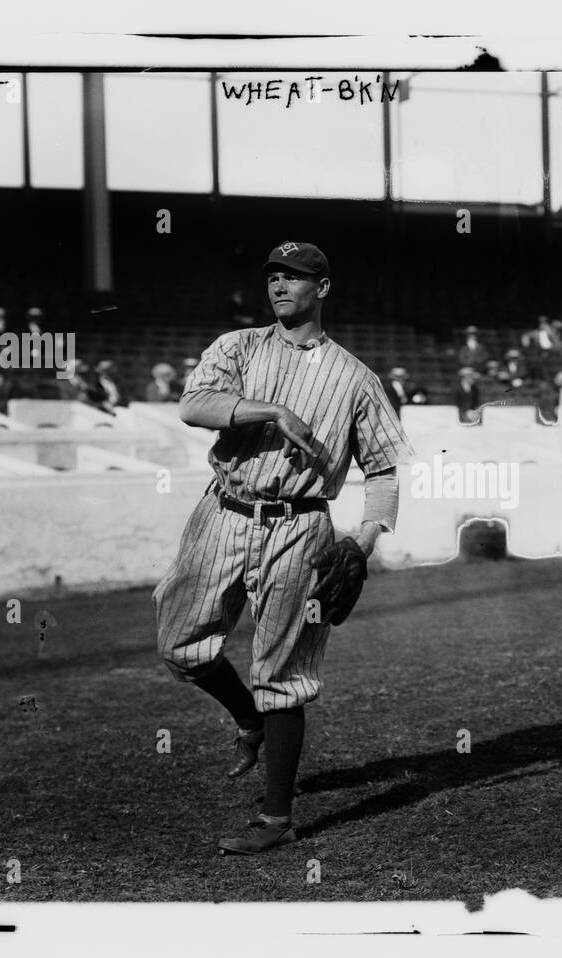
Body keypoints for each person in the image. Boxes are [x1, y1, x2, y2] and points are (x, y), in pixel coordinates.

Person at [153, 240, 411, 855]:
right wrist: (268, 411)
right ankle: (247, 720)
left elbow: (384, 470)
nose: (279, 285)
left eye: (295, 276)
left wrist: (366, 538)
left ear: (322, 288)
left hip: (300, 525)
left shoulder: (356, 379)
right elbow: (193, 406)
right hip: (223, 509)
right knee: (179, 644)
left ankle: (276, 819)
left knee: (284, 672)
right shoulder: (238, 347)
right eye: (273, 274)